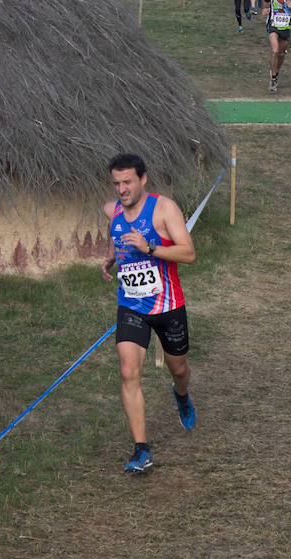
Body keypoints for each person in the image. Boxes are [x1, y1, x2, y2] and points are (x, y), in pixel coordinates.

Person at [100, 154, 197, 474]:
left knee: (178, 368)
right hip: (131, 304)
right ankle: (142, 449)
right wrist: (112, 257)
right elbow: (116, 232)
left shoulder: (164, 209)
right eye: (116, 183)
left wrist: (150, 248)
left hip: (169, 306)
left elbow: (188, 253)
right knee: (128, 371)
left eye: (127, 182)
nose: (121, 189)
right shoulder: (111, 210)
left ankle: (181, 396)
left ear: (143, 179)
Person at [264, 0, 291, 92]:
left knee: (281, 54)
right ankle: (273, 78)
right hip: (272, 25)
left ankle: (275, 72)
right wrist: (265, 8)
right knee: (275, 51)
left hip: (286, 28)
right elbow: (264, 1)